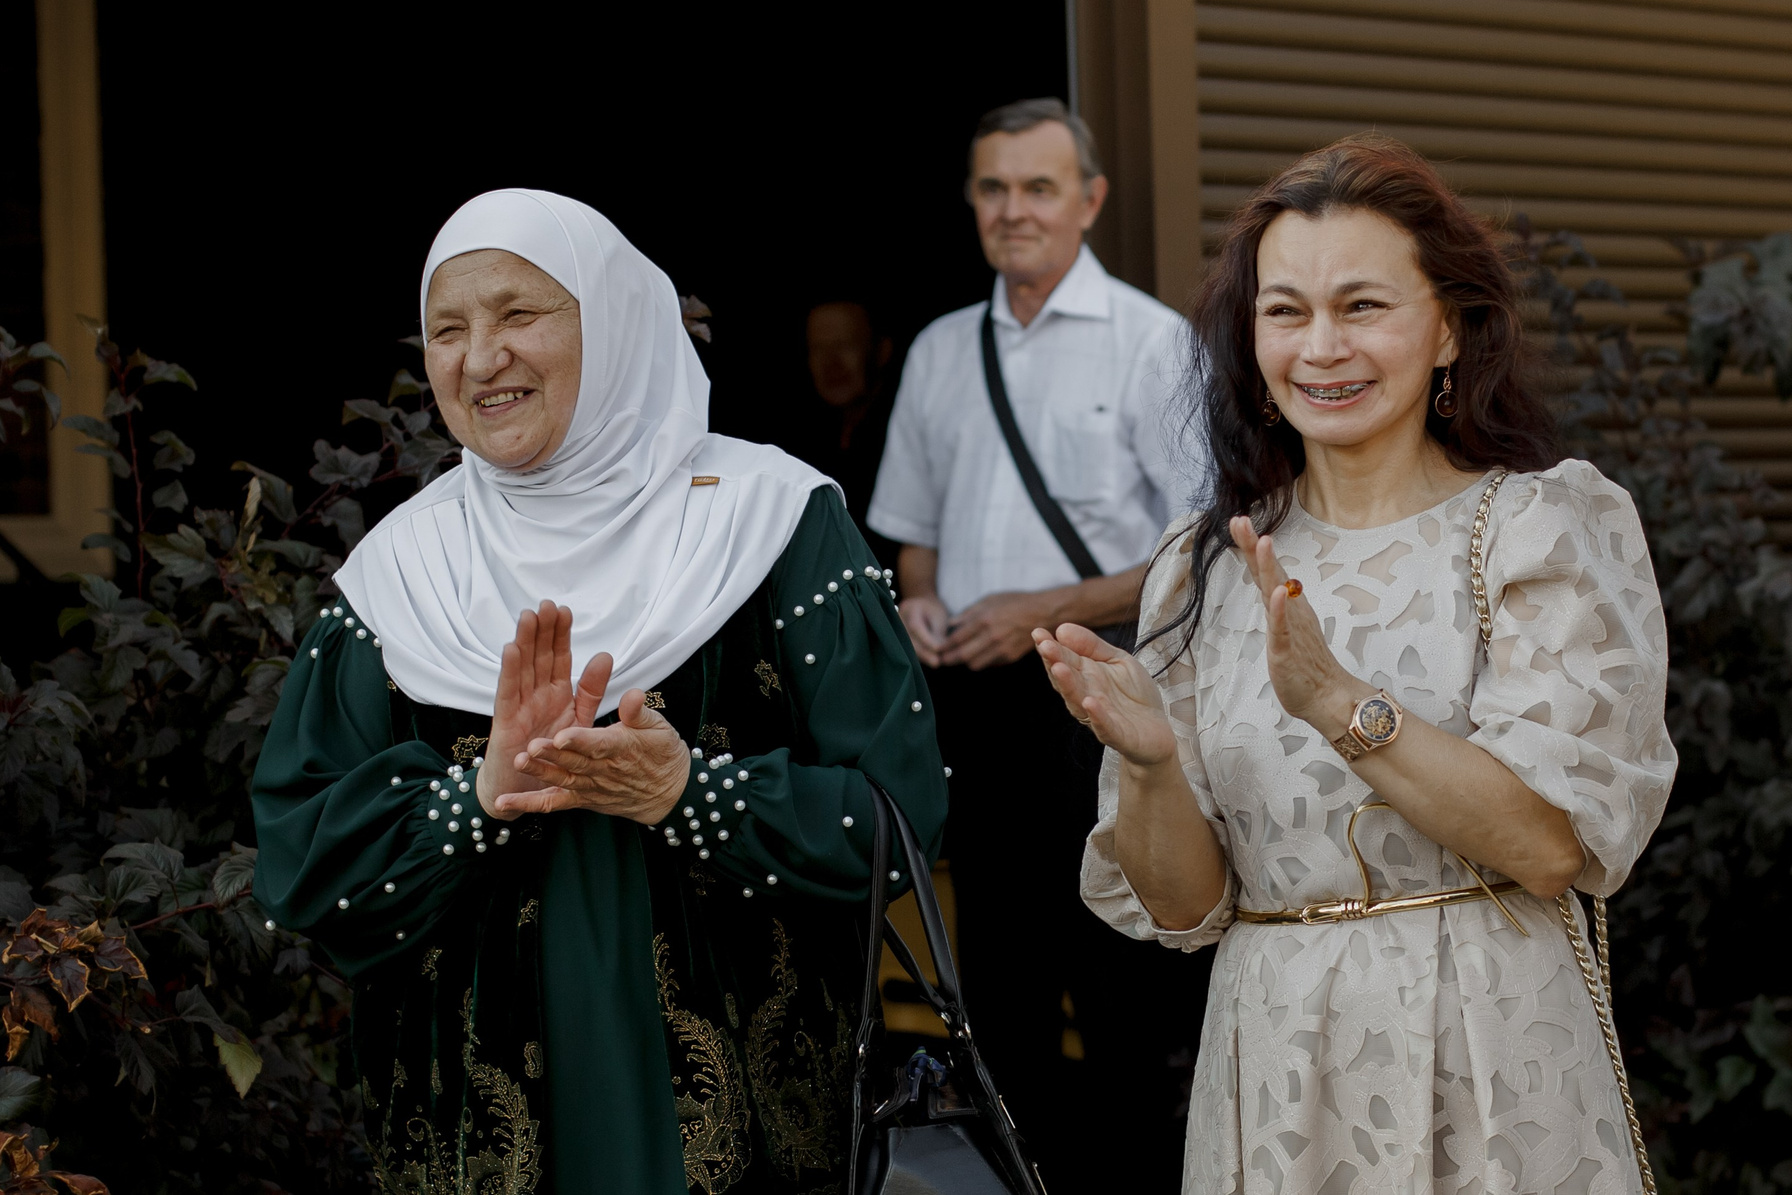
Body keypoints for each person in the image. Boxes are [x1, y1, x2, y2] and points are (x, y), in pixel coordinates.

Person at [251, 189, 947, 1193]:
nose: (480, 357)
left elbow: (898, 817)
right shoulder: (401, 577)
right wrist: (473, 801)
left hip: (752, 1136)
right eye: (448, 329)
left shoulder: (773, 525)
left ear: (613, 322)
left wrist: (692, 795)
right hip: (476, 1143)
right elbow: (302, 864)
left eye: (518, 313)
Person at [1035, 135, 1676, 1192]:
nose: (1321, 347)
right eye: (1285, 311)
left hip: (1491, 1047)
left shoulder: (1539, 527)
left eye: (1363, 306)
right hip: (1275, 1056)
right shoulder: (1203, 566)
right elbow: (1184, 909)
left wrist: (1339, 703)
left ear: (1449, 328)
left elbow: (1547, 844)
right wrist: (1148, 766)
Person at [867, 97, 1210, 1186]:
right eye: (994, 188)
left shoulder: (1152, 342)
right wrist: (921, 600)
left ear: (1089, 200)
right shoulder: (939, 350)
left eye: (1039, 187)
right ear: (973, 201)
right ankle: (1025, 1177)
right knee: (999, 975)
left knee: (1119, 981)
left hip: (1104, 695)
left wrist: (1046, 607)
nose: (1014, 209)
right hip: (976, 703)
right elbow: (913, 535)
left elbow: (1196, 547)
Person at [792, 298, 898, 564]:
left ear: (882, 351)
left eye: (844, 346)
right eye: (819, 349)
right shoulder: (802, 436)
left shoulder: (904, 435)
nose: (831, 363)